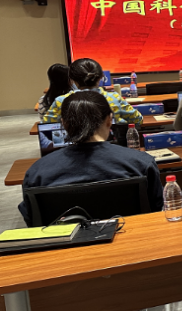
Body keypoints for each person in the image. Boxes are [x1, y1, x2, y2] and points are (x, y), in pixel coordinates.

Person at [21, 91, 163, 226]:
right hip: (131, 239)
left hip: (64, 243)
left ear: (63, 124)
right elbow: (155, 208)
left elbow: (33, 219)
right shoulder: (141, 163)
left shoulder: (37, 173)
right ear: (109, 120)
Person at [42, 58, 143, 125]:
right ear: (101, 77)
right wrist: (118, 121)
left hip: (72, 149)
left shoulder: (61, 101)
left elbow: (46, 125)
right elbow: (138, 119)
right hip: (111, 148)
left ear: (72, 80)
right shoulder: (113, 98)